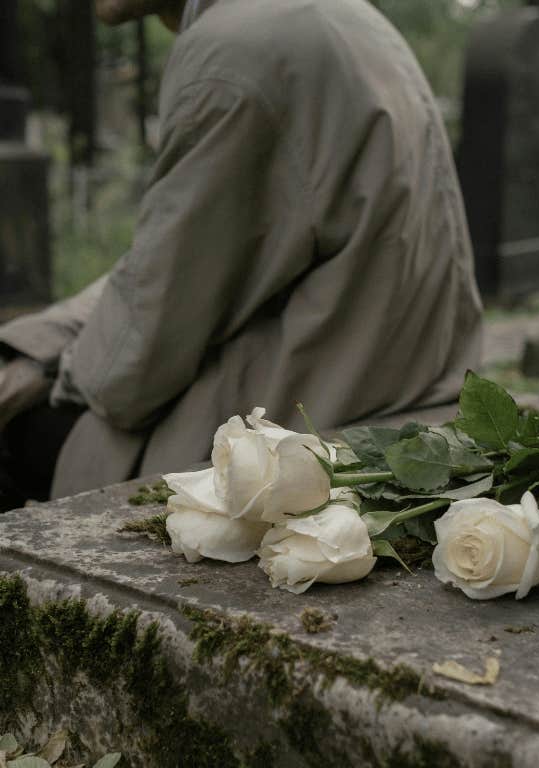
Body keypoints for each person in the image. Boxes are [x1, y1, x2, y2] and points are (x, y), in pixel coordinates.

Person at [0, 0, 482, 507]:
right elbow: (171, 271)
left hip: (298, 428)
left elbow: (128, 371)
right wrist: (40, 346)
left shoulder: (234, 52)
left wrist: (45, 365)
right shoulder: (340, 15)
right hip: (377, 386)